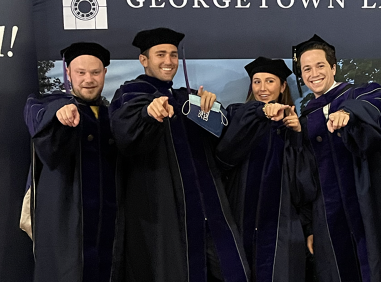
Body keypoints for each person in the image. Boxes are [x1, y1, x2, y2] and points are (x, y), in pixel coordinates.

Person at [109, 27, 249, 282]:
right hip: (166, 215)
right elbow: (125, 134)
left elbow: (222, 141)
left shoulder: (187, 99)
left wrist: (212, 110)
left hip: (209, 209)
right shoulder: (130, 95)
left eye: (173, 55)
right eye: (160, 54)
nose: (168, 61)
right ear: (144, 60)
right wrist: (148, 115)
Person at [291, 34, 381, 282]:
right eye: (306, 68)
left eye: (320, 65)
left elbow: (376, 105)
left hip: (365, 206)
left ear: (334, 67)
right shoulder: (305, 119)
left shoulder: (359, 95)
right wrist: (310, 227)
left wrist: (349, 113)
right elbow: (306, 176)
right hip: (327, 218)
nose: (313, 73)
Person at [24, 42, 116, 282]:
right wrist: (59, 112)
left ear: (105, 72)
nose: (88, 79)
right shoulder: (44, 105)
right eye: (81, 72)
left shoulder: (112, 116)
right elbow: (39, 120)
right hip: (64, 227)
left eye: (95, 72)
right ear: (68, 73)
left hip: (109, 225)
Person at [216, 57, 307, 282]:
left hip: (281, 222)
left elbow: (303, 181)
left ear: (283, 86)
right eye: (257, 82)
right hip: (240, 214)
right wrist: (261, 113)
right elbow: (225, 155)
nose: (262, 88)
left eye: (269, 81)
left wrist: (297, 135)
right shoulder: (238, 114)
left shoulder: (291, 123)